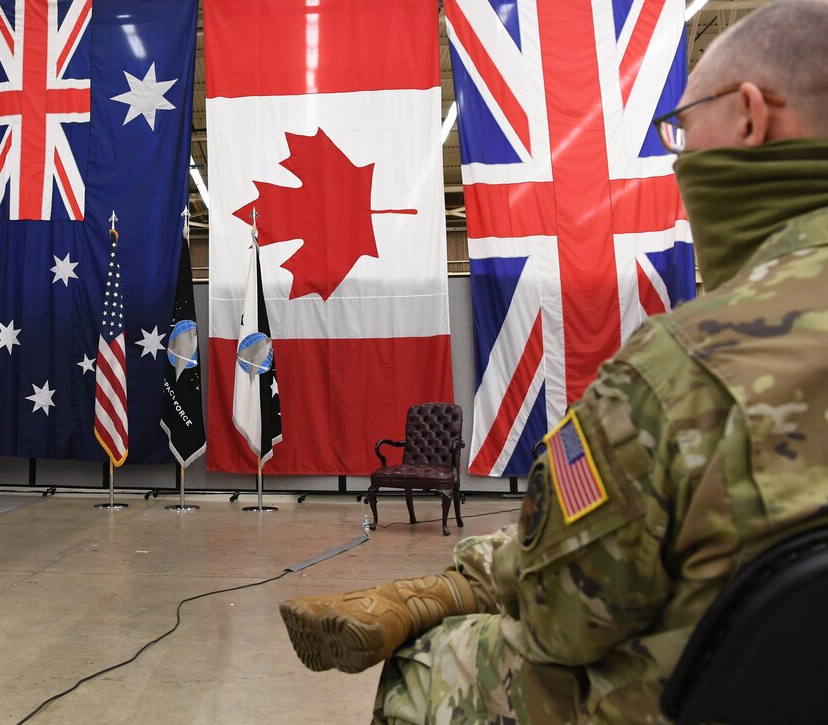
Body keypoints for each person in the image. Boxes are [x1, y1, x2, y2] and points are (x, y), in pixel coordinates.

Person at [279, 1, 828, 721]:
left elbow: (561, 616)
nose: (679, 155)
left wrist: (476, 578)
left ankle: (450, 590)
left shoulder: (676, 372)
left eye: (683, 127)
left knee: (431, 661)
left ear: (751, 117)